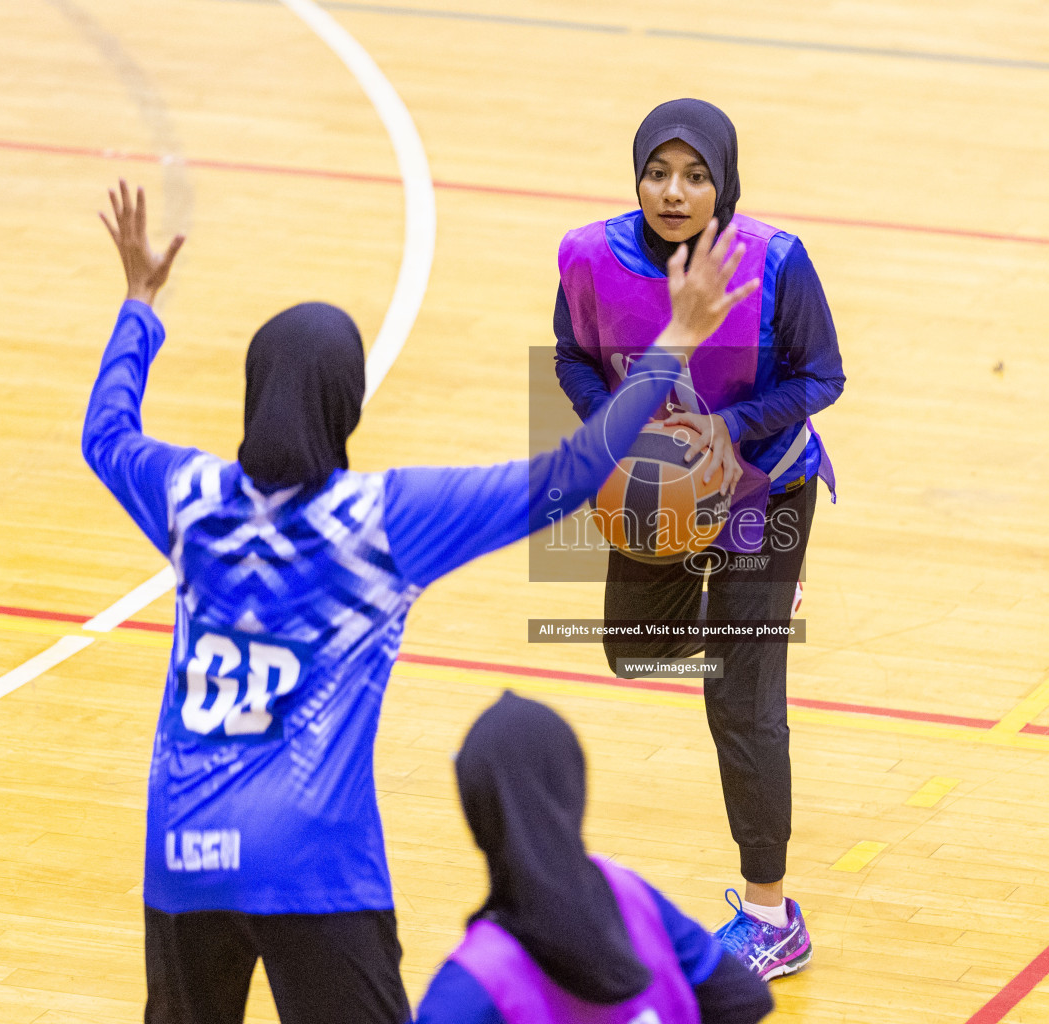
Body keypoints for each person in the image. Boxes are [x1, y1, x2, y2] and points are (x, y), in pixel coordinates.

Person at [82, 180, 757, 1024]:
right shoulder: (381, 522)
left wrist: (140, 307)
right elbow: (568, 474)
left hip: (182, 846)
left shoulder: (188, 498)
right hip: (311, 860)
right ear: (346, 405)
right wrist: (674, 342)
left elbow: (105, 435)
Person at [552, 99, 845, 979]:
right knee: (636, 649)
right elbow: (569, 353)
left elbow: (824, 375)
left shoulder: (778, 262)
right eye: (657, 172)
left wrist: (732, 427)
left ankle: (771, 912)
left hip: (765, 490)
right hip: (658, 490)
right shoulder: (589, 257)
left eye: (695, 175)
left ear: (723, 182)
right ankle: (746, 603)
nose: (673, 192)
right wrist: (617, 428)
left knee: (742, 699)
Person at [415, 692, 775, 1023]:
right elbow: (745, 997)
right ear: (576, 790)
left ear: (475, 813)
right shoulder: (630, 894)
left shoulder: (471, 986)